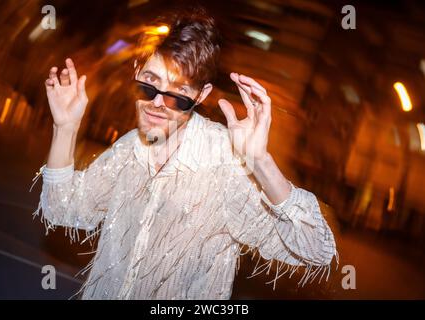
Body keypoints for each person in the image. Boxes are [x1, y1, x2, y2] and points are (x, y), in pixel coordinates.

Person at [33, 8, 337, 299]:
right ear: (137, 72)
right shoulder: (129, 149)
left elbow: (316, 249)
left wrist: (260, 162)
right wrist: (66, 128)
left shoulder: (224, 164)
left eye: (178, 94)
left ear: (202, 95)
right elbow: (62, 209)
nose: (158, 104)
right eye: (150, 85)